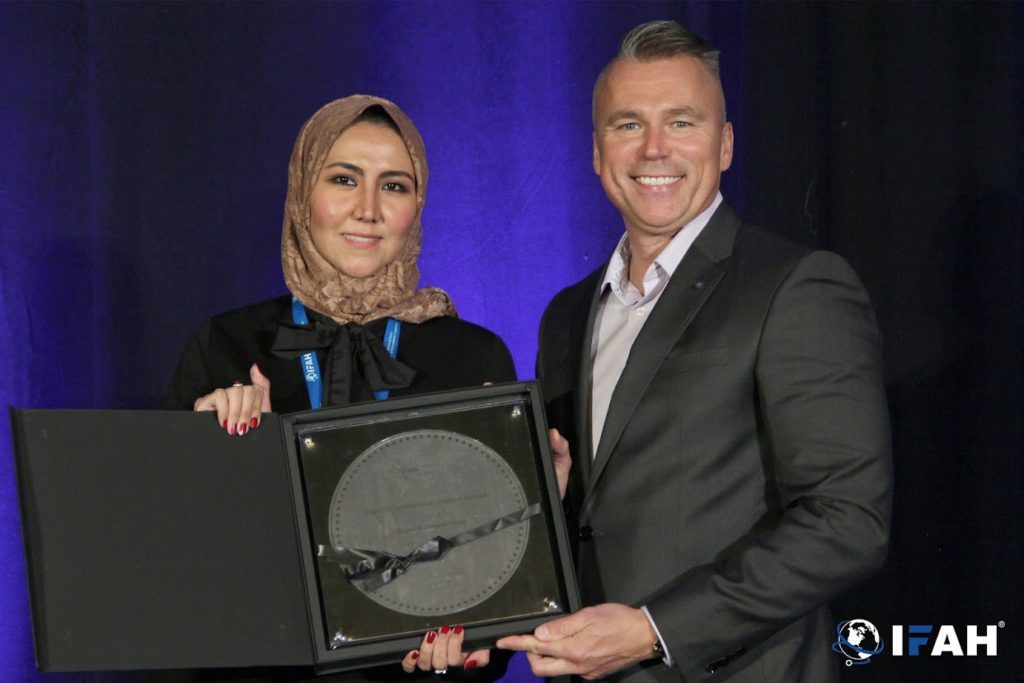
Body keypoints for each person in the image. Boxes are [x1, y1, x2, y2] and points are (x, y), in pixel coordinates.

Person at [497, 20, 892, 682]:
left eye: (682, 122)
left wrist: (656, 629)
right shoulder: (566, 314)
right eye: (628, 125)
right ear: (596, 152)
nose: (655, 148)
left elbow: (847, 521)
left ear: (725, 144)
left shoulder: (795, 286)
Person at [164, 94, 519, 680]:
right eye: (343, 179)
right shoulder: (227, 346)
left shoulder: (471, 354)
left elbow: (496, 566)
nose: (368, 209)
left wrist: (475, 644)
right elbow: (170, 559)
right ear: (304, 192)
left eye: (395, 186)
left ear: (418, 205)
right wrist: (209, 456)